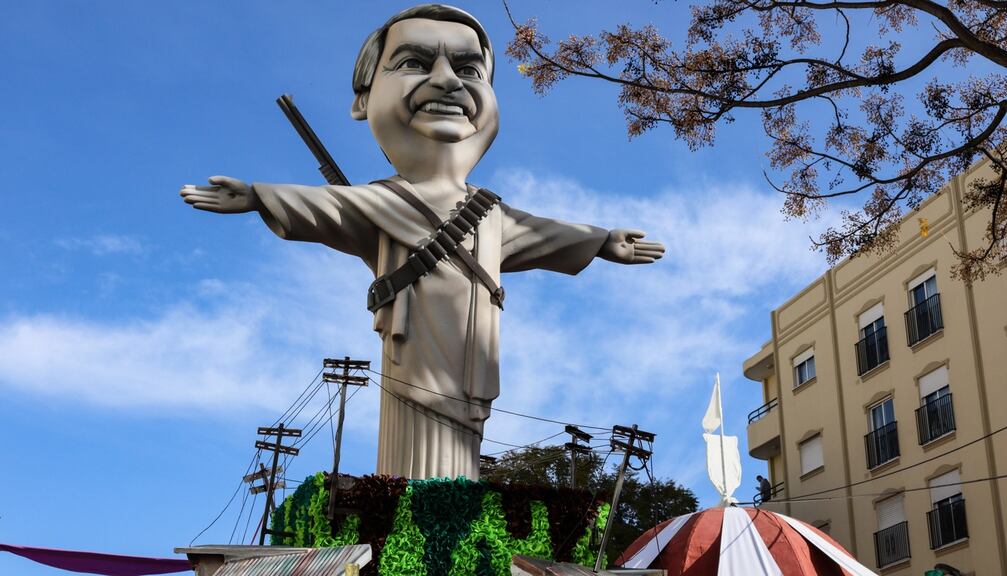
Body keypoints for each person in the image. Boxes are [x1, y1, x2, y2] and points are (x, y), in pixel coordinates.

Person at [180, 4, 665, 480]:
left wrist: (602, 240)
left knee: (455, 478)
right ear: (363, 100)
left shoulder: (492, 214)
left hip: (472, 373)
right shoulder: (378, 203)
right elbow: (323, 206)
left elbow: (544, 233)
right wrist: (257, 196)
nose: (448, 81)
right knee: (418, 481)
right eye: (414, 63)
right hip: (408, 363)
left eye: (469, 68)